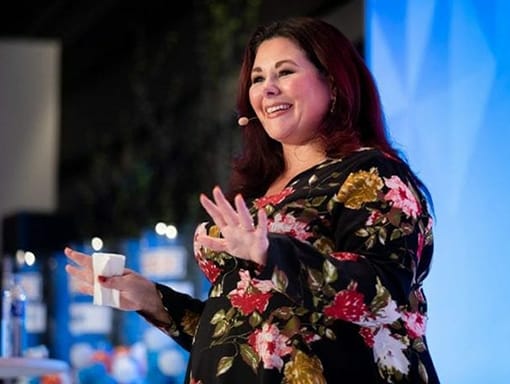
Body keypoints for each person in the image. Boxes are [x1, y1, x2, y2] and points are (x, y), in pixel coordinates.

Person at [65, 17, 439, 383]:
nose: (267, 88)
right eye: (258, 78)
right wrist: (152, 300)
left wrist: (271, 255)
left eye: (285, 72)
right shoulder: (258, 192)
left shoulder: (372, 174)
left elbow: (383, 294)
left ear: (334, 83)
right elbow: (248, 333)